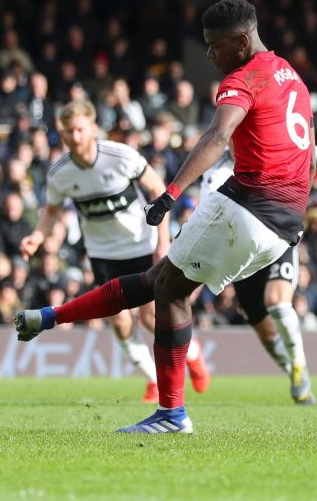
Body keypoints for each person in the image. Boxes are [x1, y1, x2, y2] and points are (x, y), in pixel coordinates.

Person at [17, 0, 315, 433]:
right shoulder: (291, 76)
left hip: (250, 204)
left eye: (215, 46)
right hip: (285, 222)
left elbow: (217, 136)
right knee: (161, 283)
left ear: (241, 40)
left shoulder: (241, 79)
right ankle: (51, 317)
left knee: (168, 292)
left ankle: (172, 413)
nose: (210, 55)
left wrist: (171, 192)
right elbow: (305, 149)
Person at [18, 99, 209, 403]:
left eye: (80, 129)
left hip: (142, 245)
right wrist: (37, 237)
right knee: (119, 321)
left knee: (151, 318)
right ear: (61, 133)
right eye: (68, 131)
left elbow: (159, 191)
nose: (75, 137)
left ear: (93, 128)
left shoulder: (120, 156)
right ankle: (154, 380)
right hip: (103, 253)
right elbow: (51, 211)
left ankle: (194, 356)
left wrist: (162, 242)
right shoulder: (60, 172)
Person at [203, 143, 317, 405]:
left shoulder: (268, 146)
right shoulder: (217, 171)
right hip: (241, 256)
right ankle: (297, 373)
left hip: (277, 238)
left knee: (277, 301)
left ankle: (297, 366)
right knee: (265, 332)